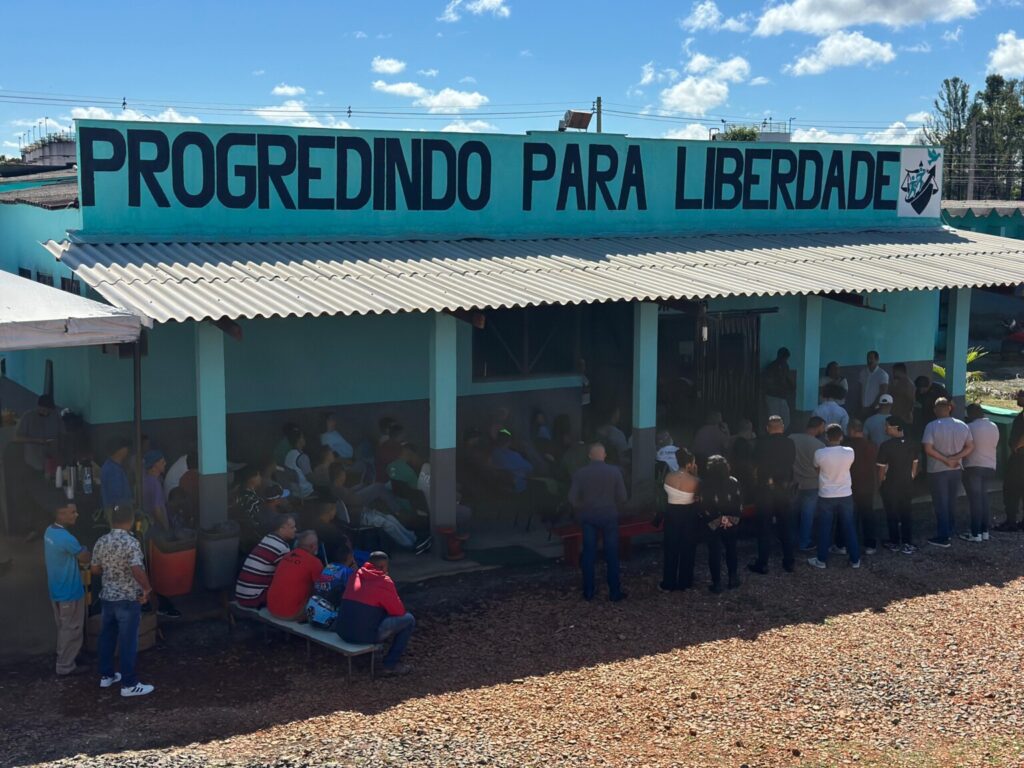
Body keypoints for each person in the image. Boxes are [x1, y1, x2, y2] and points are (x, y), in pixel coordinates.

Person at [90, 504, 155, 698]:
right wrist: (147, 588)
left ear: (112, 520)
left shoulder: (101, 541)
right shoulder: (130, 542)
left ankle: (106, 675)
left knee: (107, 637)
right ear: (131, 520)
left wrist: (110, 569)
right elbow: (136, 569)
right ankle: (129, 684)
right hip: (127, 598)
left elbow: (95, 569)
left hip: (108, 597)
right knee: (128, 641)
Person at [334, 551, 416, 676]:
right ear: (383, 567)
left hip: (342, 631)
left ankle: (370, 656)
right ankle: (390, 665)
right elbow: (398, 611)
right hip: (364, 636)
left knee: (371, 611)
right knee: (408, 619)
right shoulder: (384, 581)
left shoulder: (355, 575)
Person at [568, 442, 628, 602]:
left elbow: (572, 499)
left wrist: (583, 506)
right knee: (612, 554)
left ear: (589, 456)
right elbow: (623, 497)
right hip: (609, 514)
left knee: (588, 553)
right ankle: (614, 591)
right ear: (604, 455)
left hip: (588, 516)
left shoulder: (580, 473)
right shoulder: (614, 471)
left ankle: (588, 591)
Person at [44, 498, 90, 677]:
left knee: (64, 627)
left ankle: (71, 655)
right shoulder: (66, 538)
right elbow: (84, 557)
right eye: (72, 512)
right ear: (61, 514)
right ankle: (65, 666)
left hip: (56, 589)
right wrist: (85, 548)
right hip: (69, 591)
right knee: (71, 628)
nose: (76, 515)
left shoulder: (49, 531)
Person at [922, 398, 973, 548]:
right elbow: (970, 446)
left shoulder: (931, 426)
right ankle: (950, 529)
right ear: (950, 408)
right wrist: (955, 458)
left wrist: (946, 460)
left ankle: (943, 536)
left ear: (935, 409)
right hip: (956, 469)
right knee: (951, 501)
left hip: (937, 470)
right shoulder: (962, 425)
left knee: (940, 503)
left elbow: (928, 448)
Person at [808, 424, 860, 569]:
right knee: (849, 526)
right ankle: (855, 559)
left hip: (826, 494)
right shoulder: (850, 452)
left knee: (824, 528)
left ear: (826, 437)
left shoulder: (820, 453)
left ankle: (821, 560)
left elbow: (817, 469)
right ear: (841, 436)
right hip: (845, 494)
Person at [750, 415, 796, 574]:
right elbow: (791, 462)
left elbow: (754, 464)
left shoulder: (761, 443)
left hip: (765, 488)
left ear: (767, 428)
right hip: (783, 488)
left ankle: (763, 563)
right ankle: (789, 561)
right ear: (782, 427)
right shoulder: (790, 443)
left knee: (764, 527)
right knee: (786, 526)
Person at [235, 515, 298, 608]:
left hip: (241, 595)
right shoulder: (282, 547)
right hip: (254, 598)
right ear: (281, 529)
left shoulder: (268, 538)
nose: (295, 529)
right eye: (292, 527)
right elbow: (287, 576)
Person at [876, 417, 919, 555]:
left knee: (892, 514)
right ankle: (907, 542)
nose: (885, 429)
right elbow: (915, 465)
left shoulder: (886, 446)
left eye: (887, 426)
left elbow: (881, 469)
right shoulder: (912, 443)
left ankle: (894, 541)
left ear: (895, 428)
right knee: (906, 513)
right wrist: (910, 477)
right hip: (907, 484)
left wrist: (880, 483)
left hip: (890, 484)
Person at [699, 456, 742, 593]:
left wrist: (716, 519)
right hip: (731, 520)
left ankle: (716, 583)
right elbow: (738, 502)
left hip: (713, 521)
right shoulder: (734, 482)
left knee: (714, 551)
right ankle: (733, 578)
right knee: (731, 548)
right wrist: (730, 519)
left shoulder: (705, 484)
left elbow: (703, 505)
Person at [660, 447, 699, 592]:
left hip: (671, 513)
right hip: (688, 514)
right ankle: (685, 581)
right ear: (689, 464)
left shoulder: (668, 477)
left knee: (671, 548)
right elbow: (698, 498)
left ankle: (669, 581)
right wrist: (695, 474)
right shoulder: (695, 481)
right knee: (687, 548)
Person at [962, 403, 999, 542]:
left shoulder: (969, 427)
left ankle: (975, 533)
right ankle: (985, 531)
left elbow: (965, 446)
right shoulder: (994, 426)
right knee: (984, 499)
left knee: (975, 500)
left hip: (973, 466)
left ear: (970, 414)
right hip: (990, 466)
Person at [267, 530, 323, 620]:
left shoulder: (286, 556)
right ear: (313, 546)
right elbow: (321, 588)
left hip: (271, 609)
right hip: (291, 614)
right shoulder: (315, 562)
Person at [841, 420, 879, 554]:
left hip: (848, 484)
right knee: (867, 514)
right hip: (867, 484)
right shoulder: (871, 445)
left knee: (848, 515)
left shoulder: (845, 446)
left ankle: (844, 544)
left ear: (851, 430)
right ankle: (870, 545)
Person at [791, 416, 826, 551]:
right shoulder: (820, 446)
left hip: (794, 482)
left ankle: (790, 539)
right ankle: (804, 542)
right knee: (807, 516)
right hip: (812, 484)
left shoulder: (792, 438)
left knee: (792, 514)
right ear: (819, 426)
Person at [997, 389, 1024, 532]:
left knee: (1011, 489)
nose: (1017, 399)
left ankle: (1011, 521)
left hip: (1019, 459)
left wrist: (1016, 445)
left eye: (1020, 397)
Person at [15, 393, 60, 474]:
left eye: (49, 411)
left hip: (52, 459)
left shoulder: (54, 416)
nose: (46, 413)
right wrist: (37, 440)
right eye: (44, 410)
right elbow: (17, 438)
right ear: (38, 406)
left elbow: (62, 433)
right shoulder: (28, 417)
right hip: (34, 462)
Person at [764, 347, 795, 430]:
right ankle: (773, 434)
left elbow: (786, 378)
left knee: (786, 418)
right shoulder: (772, 367)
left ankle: (781, 433)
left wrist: (791, 386)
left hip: (782, 396)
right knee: (774, 419)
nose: (785, 360)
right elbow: (768, 383)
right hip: (773, 396)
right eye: (784, 358)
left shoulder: (785, 366)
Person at [100, 438, 133, 513]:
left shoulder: (114, 467)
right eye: (125, 447)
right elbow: (116, 498)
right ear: (119, 450)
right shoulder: (112, 470)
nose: (127, 450)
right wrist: (119, 512)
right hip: (118, 514)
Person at [283, 428, 315, 498]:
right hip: (306, 492)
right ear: (298, 440)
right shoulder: (302, 457)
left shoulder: (288, 455)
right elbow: (310, 478)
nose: (304, 439)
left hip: (294, 492)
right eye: (302, 437)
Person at [858, 351, 889, 417]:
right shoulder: (863, 373)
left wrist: (872, 407)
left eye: (871, 358)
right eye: (868, 358)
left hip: (875, 408)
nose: (869, 360)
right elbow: (860, 390)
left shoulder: (882, 374)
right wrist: (860, 405)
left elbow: (883, 392)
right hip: (863, 408)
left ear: (877, 360)